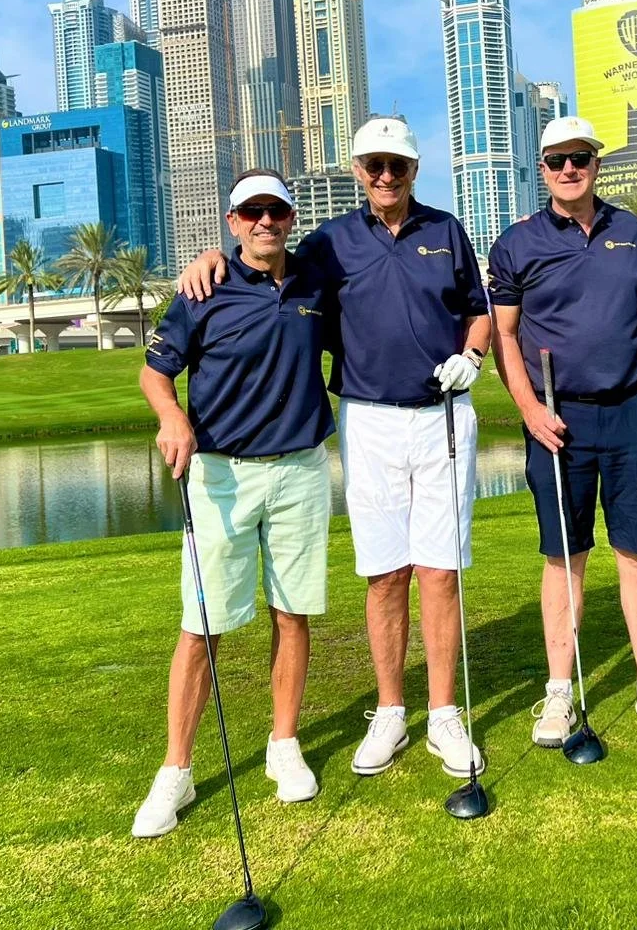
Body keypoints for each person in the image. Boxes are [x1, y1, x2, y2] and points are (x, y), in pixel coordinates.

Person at [177, 117, 493, 782]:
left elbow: (479, 309)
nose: (385, 177)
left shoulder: (446, 231)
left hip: (443, 415)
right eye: (373, 166)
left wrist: (473, 354)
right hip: (369, 419)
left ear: (413, 171)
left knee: (439, 571)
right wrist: (208, 257)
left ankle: (442, 714)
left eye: (397, 167)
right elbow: (264, 262)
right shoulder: (329, 243)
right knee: (386, 575)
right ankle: (390, 710)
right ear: (358, 171)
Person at [131, 169, 336, 839]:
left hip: (301, 469)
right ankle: (177, 771)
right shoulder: (204, 288)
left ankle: (283, 745)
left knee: (292, 611)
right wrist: (170, 417)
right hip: (221, 474)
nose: (265, 221)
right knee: (202, 625)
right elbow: (155, 373)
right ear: (233, 220)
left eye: (275, 209)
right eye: (252, 211)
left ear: (291, 215)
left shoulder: (315, 279)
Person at [487, 116, 637, 747]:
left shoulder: (631, 233)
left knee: (636, 549)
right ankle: (558, 693)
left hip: (632, 410)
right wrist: (527, 409)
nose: (568, 169)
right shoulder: (517, 242)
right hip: (558, 417)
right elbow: (503, 333)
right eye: (556, 160)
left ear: (596, 163)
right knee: (564, 555)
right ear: (541, 167)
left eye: (579, 158)